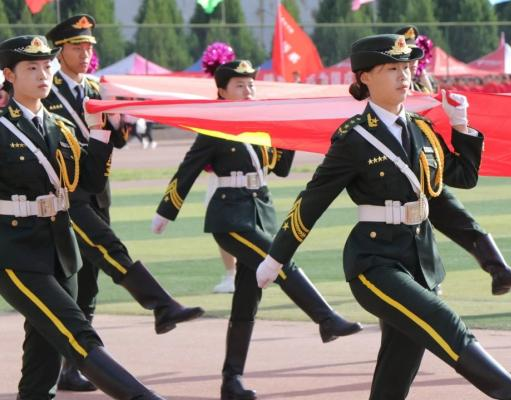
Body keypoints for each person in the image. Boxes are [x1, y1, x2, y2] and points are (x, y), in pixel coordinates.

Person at [256, 34, 511, 400]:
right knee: (444, 322)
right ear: (365, 77)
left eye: (407, 67)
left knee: (397, 370)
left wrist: (462, 126)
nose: (404, 76)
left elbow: (463, 177)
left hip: (421, 262)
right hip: (374, 263)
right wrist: (276, 258)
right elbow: (312, 201)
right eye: (392, 68)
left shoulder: (422, 129)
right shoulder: (353, 138)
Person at [151, 59, 363, 400]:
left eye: (251, 84)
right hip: (229, 215)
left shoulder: (260, 122)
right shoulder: (214, 127)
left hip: (259, 211)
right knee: (279, 260)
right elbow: (187, 169)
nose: (248, 90)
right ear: (222, 92)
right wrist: (166, 211)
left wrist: (288, 131)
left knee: (246, 302)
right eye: (239, 85)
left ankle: (231, 381)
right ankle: (325, 318)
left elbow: (280, 168)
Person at [43, 14, 205, 391]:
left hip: (97, 191)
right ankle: (162, 305)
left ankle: (69, 368)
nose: (85, 54)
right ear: (60, 51)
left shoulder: (97, 88)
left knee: (87, 283)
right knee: (108, 247)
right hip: (64, 194)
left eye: (89, 47)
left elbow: (114, 140)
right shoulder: (46, 89)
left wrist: (122, 126)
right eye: (77, 47)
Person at [0, 34, 165, 400]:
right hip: (14, 252)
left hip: (61, 250)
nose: (43, 75)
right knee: (76, 333)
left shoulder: (60, 126)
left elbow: (87, 184)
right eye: (32, 68)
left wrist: (102, 132)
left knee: (44, 355)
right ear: (9, 75)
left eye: (47, 66)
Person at [397, 25, 511, 296]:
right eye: (406, 58)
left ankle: (499, 271)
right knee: (412, 243)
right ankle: (428, 287)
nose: (412, 64)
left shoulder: (425, 87)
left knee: (463, 221)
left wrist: (459, 121)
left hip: (429, 173)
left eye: (415, 58)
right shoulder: (390, 92)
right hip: (399, 181)